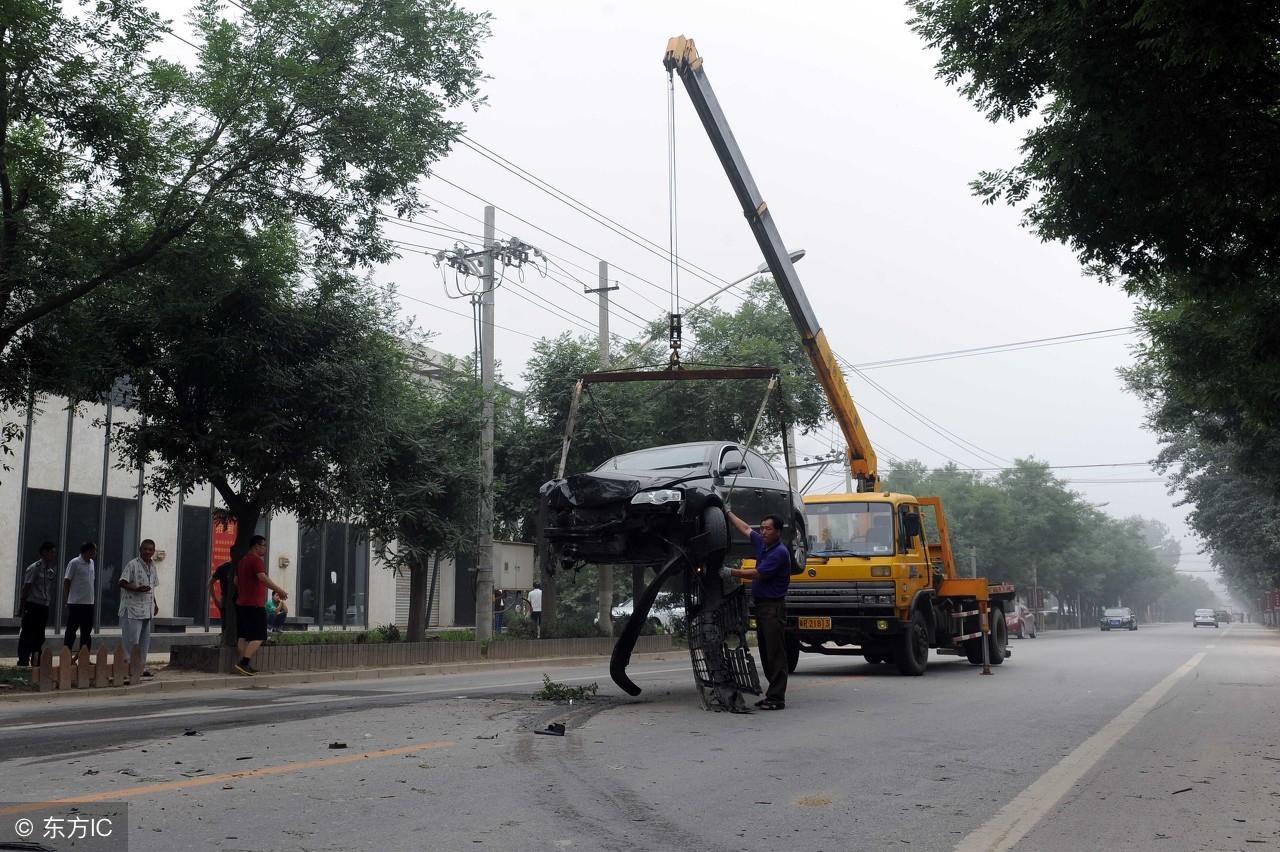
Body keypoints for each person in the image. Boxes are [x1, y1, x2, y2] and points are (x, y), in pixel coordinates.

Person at [723, 511, 791, 711]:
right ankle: (772, 695)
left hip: (773, 608)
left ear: (778, 532)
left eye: (768, 529)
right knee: (766, 652)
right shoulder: (762, 543)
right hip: (762, 607)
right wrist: (728, 512)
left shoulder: (779, 552)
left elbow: (758, 573)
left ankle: (777, 698)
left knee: (775, 653)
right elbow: (744, 528)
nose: (763, 532)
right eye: (762, 528)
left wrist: (731, 572)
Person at [233, 535, 289, 676]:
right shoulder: (256, 561)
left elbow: (235, 581)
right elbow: (263, 578)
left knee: (243, 636)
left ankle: (243, 666)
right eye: (264, 546)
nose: (265, 549)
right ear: (257, 546)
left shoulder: (242, 562)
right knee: (260, 635)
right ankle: (244, 663)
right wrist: (279, 590)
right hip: (254, 605)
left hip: (241, 604)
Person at [119, 539, 160, 678]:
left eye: (150, 549)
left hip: (147, 608)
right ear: (140, 550)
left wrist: (155, 603)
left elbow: (152, 587)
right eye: (145, 549)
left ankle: (141, 667)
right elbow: (122, 582)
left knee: (144, 641)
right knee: (132, 640)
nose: (147, 552)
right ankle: (128, 669)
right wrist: (136, 588)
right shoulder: (133, 564)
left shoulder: (153, 565)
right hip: (133, 608)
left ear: (153, 551)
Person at [17, 542, 57, 667]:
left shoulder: (50, 571)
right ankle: (23, 660)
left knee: (40, 635)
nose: (53, 555)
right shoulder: (35, 568)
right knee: (27, 633)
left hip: (43, 607)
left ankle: (36, 660)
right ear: (44, 552)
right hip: (33, 605)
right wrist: (21, 607)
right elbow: (26, 587)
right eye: (51, 552)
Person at [63, 541, 97, 653]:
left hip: (89, 603)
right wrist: (68, 598)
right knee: (71, 630)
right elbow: (67, 581)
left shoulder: (92, 563)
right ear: (89, 550)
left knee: (86, 632)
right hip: (76, 603)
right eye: (94, 550)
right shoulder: (74, 562)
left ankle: (84, 656)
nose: (95, 553)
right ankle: (66, 654)